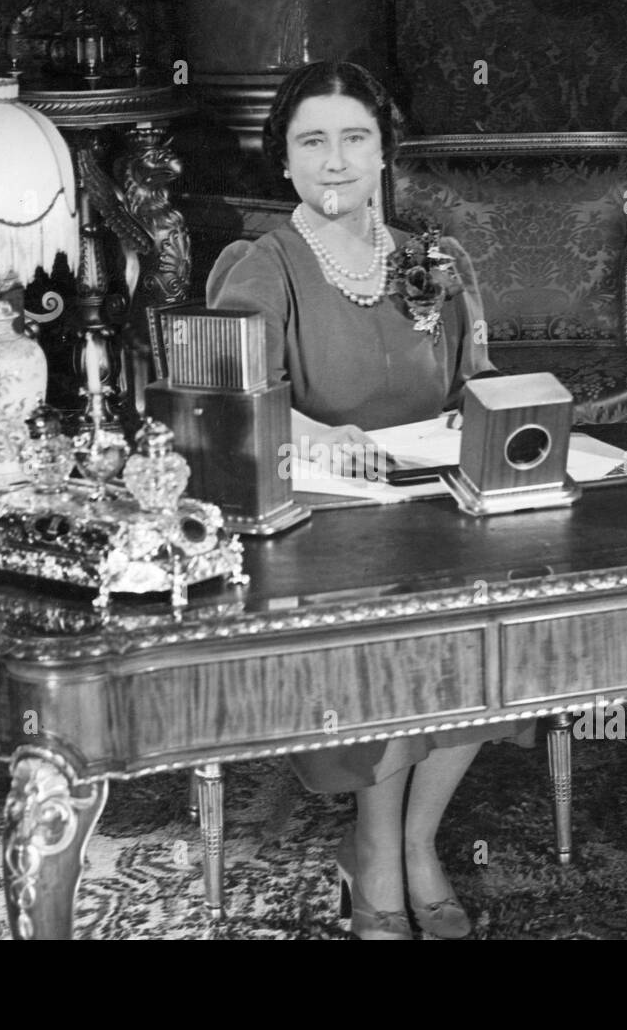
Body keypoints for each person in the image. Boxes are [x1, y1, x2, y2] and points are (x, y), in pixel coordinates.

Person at [206, 60, 527, 940]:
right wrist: (315, 437)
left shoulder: (432, 260)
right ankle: (377, 850)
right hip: (326, 525)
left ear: (384, 152)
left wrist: (512, 423)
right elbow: (235, 406)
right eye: (313, 141)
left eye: (355, 138)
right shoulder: (263, 265)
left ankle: (419, 839)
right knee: (395, 645)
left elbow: (477, 382)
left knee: (512, 618)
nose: (336, 160)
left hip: (436, 509)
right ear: (286, 162)